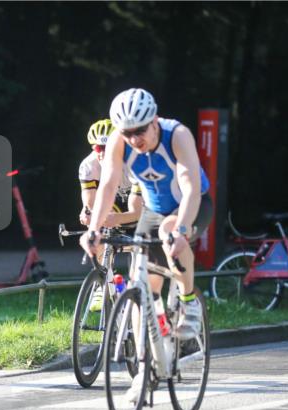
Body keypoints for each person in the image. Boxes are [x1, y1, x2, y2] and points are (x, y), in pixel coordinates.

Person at [81, 88, 212, 338]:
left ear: (154, 121)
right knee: (142, 287)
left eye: (140, 130)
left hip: (192, 204)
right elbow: (107, 188)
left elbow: (191, 188)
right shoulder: (119, 142)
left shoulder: (177, 135)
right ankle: (145, 361)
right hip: (154, 210)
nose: (134, 139)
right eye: (127, 133)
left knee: (168, 231)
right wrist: (94, 229)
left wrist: (182, 229)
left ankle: (189, 302)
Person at [77, 118, 144, 311]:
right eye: (98, 148)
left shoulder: (134, 163)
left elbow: (136, 212)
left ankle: (136, 297)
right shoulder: (88, 166)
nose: (102, 153)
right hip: (113, 206)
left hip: (142, 209)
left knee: (139, 273)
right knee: (99, 234)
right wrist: (91, 215)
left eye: (107, 147)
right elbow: (91, 200)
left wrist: (112, 219)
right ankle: (103, 283)